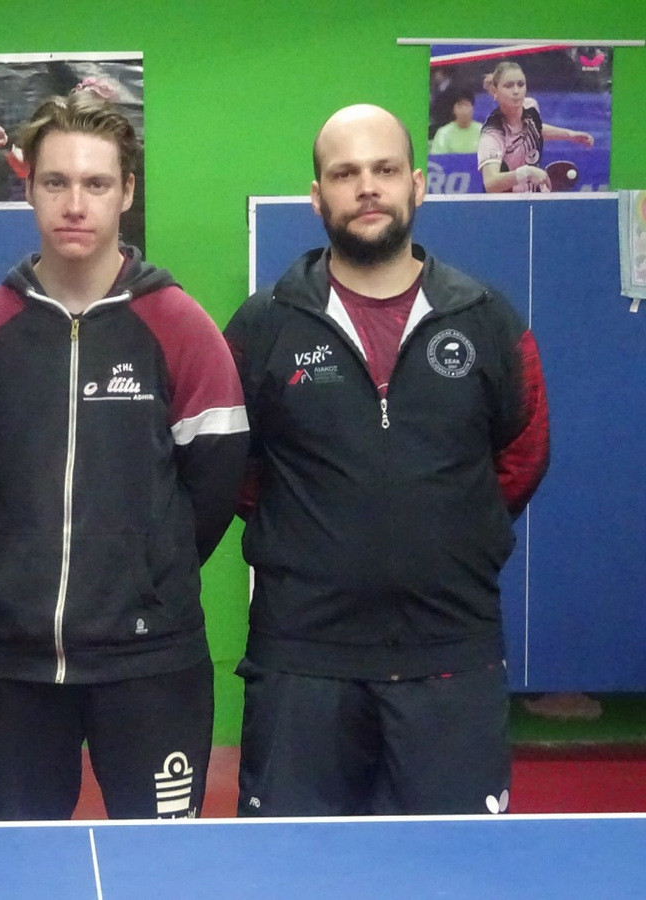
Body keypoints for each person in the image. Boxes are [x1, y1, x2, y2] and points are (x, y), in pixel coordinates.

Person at [223, 104, 550, 816]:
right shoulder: (264, 325)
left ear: (417, 184)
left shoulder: (486, 319)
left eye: (385, 169)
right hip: (302, 658)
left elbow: (522, 453)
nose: (367, 187)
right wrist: (313, 533)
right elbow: (235, 472)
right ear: (318, 197)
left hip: (451, 653)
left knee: (451, 870)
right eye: (346, 174)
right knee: (295, 867)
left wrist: (452, 534)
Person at [0, 92, 248, 820]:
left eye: (96, 183)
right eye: (56, 182)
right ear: (29, 188)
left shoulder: (182, 328)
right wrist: (18, 560)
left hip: (151, 662)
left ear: (126, 192)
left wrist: (145, 567)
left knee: (160, 869)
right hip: (9, 663)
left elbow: (214, 481)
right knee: (19, 868)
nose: (75, 204)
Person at [478, 60, 594, 193]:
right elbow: (490, 183)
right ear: (495, 91)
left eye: (521, 84)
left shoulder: (530, 107)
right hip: (507, 203)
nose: (516, 91)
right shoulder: (492, 133)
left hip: (534, 197)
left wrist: (569, 135)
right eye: (508, 86)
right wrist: (527, 173)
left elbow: (534, 128)